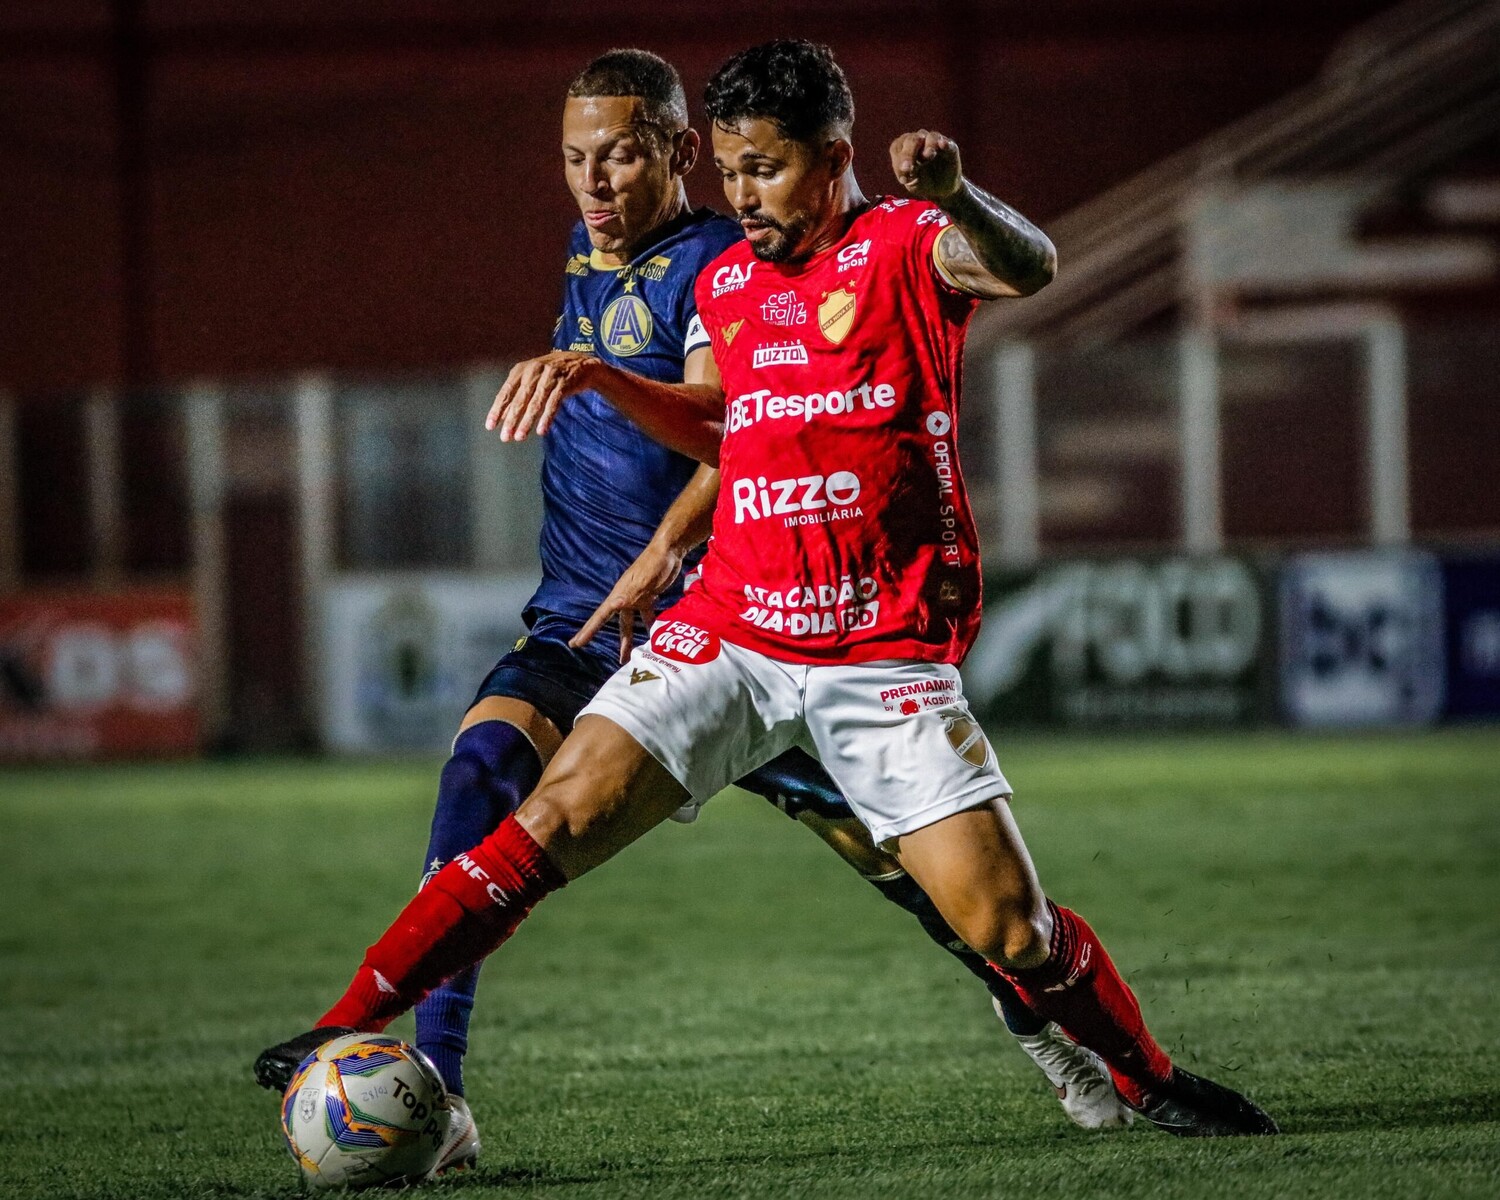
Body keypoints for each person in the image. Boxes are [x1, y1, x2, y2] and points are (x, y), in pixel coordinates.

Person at [258, 41, 1275, 1143]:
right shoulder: (733, 279)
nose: (743, 197)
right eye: (735, 173)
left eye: (767, 170)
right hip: (726, 632)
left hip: (874, 652)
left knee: (1004, 926)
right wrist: (604, 382)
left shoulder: (906, 244)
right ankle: (348, 1030)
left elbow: (1030, 265)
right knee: (537, 809)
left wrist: (957, 193)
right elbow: (722, 424)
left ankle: (1138, 1075)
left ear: (834, 159)